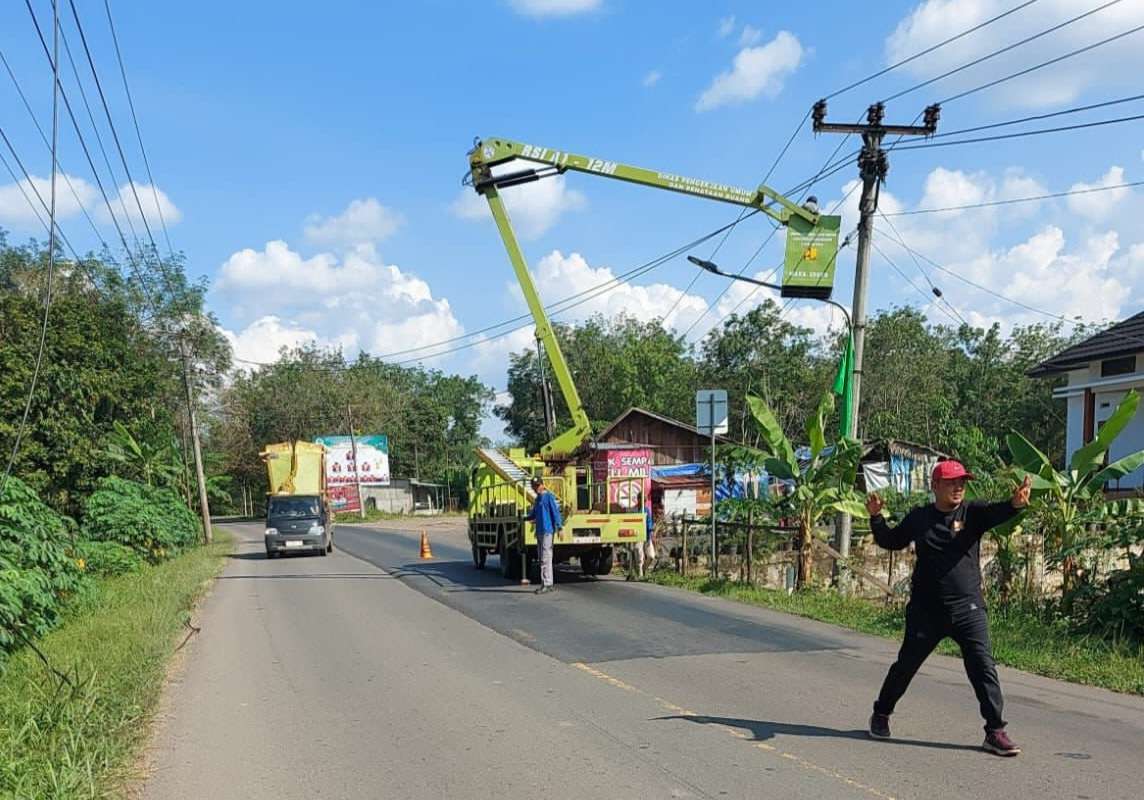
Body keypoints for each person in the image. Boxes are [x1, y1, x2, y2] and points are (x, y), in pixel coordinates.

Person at [866, 461, 1030, 757]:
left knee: (983, 666)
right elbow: (891, 540)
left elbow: (998, 512)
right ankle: (881, 712)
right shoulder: (919, 517)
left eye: (962, 482)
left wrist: (1015, 504)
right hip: (926, 611)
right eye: (952, 482)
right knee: (905, 666)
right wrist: (876, 518)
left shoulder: (973, 513)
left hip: (968, 609)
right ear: (935, 486)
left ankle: (995, 731)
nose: (959, 487)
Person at [526, 477, 562, 594]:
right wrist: (525, 518)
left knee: (545, 558)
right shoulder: (537, 500)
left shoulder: (548, 497)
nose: (536, 488)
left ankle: (546, 583)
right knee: (542, 557)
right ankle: (548, 583)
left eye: (537, 485)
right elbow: (533, 514)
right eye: (534, 486)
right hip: (540, 531)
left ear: (542, 485)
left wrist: (559, 527)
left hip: (547, 531)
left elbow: (555, 513)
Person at [633, 495, 657, 578]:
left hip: (647, 535)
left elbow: (649, 521)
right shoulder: (634, 510)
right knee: (638, 552)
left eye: (644, 500)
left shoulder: (646, 510)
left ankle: (644, 568)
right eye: (641, 499)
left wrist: (651, 531)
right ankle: (640, 574)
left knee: (651, 556)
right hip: (637, 535)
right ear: (638, 499)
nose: (643, 502)